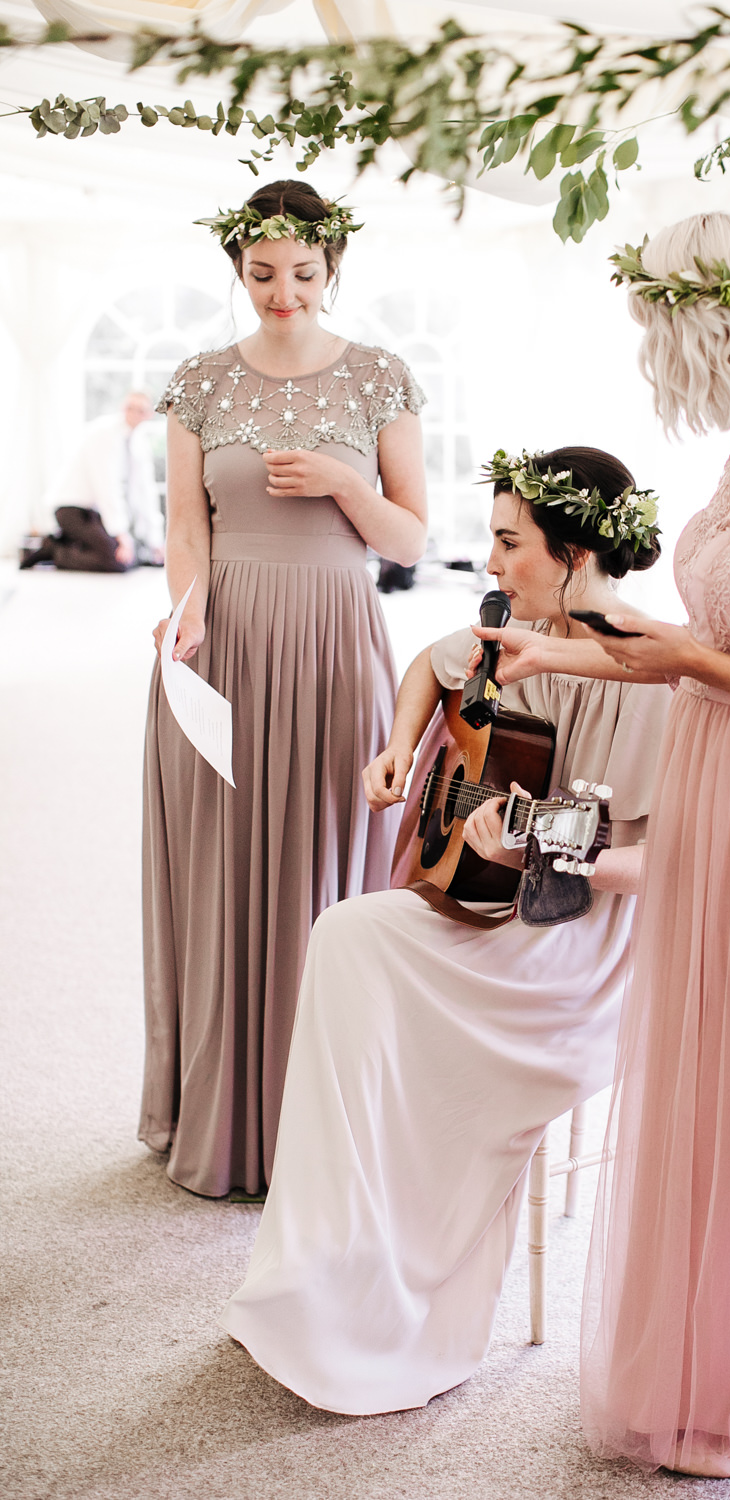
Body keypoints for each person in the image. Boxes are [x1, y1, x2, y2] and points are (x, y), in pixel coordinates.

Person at [476, 215, 730, 1478]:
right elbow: (714, 645)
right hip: (717, 776)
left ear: (714, 329)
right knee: (705, 1076)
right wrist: (569, 645)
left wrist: (687, 658)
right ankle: (699, 1363)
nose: (660, 370)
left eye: (663, 339)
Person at [220, 445, 672, 1413]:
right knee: (348, 937)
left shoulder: (657, 672)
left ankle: (410, 1291)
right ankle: (331, 1261)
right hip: (498, 906)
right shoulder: (522, 633)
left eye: (510, 543)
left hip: (576, 947)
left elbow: (670, 864)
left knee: (385, 977)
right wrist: (395, 747)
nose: (493, 563)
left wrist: (543, 855)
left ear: (575, 550)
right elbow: (432, 660)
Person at [140, 180, 428, 1199]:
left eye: (302, 274)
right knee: (221, 866)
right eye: (261, 274)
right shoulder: (199, 381)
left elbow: (410, 536)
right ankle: (219, 1114)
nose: (282, 292)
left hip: (336, 638)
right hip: (224, 640)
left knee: (327, 872)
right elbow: (185, 522)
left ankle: (322, 1121)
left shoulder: (381, 377)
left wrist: (349, 488)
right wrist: (192, 608)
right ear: (238, 272)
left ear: (332, 269)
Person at [22, 392, 164, 571]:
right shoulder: (104, 433)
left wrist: (156, 542)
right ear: (123, 407)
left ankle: (70, 542)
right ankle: (55, 550)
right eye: (130, 407)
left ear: (149, 414)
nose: (134, 413)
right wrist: (121, 536)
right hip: (71, 509)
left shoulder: (138, 444)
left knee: (132, 557)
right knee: (116, 562)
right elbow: (106, 487)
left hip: (94, 513)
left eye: (140, 410)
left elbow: (145, 493)